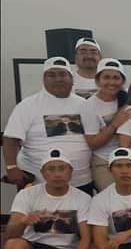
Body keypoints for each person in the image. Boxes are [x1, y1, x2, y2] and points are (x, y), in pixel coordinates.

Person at [3, 57, 94, 195]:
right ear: (44, 80)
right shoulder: (27, 105)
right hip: (38, 181)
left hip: (81, 179)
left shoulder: (85, 104)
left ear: (72, 79)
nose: (58, 79)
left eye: (63, 74)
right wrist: (11, 167)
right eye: (51, 75)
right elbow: (11, 138)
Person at [82, 58, 131, 191]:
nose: (111, 82)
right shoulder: (89, 106)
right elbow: (93, 143)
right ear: (98, 81)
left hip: (130, 158)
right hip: (104, 162)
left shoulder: (129, 99)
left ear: (122, 81)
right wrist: (115, 124)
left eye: (116, 78)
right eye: (106, 77)